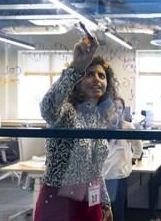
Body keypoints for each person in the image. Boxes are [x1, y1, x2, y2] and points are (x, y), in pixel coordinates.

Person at [35, 36, 115, 221]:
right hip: (59, 202)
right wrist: (76, 67)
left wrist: (105, 202)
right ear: (78, 80)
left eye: (101, 76)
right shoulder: (67, 112)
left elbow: (96, 170)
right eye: (89, 74)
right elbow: (47, 108)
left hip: (91, 200)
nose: (96, 79)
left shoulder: (98, 119)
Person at [103, 97, 143, 221]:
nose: (116, 111)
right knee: (103, 210)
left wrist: (134, 158)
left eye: (119, 108)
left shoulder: (127, 127)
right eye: (113, 107)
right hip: (103, 174)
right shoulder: (102, 126)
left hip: (119, 174)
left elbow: (138, 145)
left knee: (117, 210)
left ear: (123, 111)